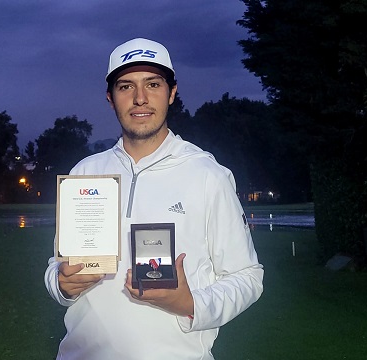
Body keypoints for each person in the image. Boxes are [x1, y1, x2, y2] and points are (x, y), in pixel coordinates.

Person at [44, 37, 264, 359]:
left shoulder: (207, 175)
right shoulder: (84, 173)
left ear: (172, 93)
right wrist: (61, 285)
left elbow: (248, 277)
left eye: (153, 84)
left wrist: (191, 305)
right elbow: (57, 266)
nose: (140, 98)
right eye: (125, 87)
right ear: (110, 97)